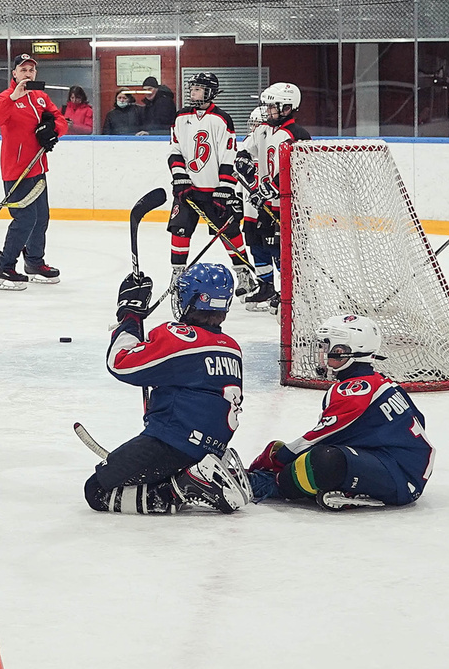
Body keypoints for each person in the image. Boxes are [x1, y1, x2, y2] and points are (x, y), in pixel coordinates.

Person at [84, 258, 253, 515]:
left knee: (96, 490)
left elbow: (121, 364)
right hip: (210, 446)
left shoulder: (179, 337)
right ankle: (194, 474)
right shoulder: (231, 347)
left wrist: (129, 314)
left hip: (173, 444)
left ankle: (184, 486)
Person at [248, 313, 434, 509]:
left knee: (324, 460)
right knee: (318, 456)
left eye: (328, 346)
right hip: (398, 468)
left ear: (345, 351)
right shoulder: (378, 381)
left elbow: (318, 438)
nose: (322, 352)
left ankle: (272, 484)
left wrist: (278, 460)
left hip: (399, 477)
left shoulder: (356, 388)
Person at [0, 53, 61, 289]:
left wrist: (52, 128)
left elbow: (60, 119)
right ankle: (4, 267)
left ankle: (35, 262)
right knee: (25, 219)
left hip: (38, 167)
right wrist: (13, 97)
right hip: (17, 170)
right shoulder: (5, 97)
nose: (28, 74)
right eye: (23, 70)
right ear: (14, 74)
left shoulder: (40, 97)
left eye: (31, 70)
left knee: (41, 218)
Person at [165, 74, 240, 280]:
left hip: (214, 191)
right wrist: (180, 177)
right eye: (192, 88)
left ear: (210, 92)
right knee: (179, 230)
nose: (193, 92)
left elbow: (228, 155)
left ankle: (243, 273)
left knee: (229, 231)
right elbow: (175, 149)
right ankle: (177, 273)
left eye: (198, 89)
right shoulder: (181, 116)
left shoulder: (221, 119)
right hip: (187, 189)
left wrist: (225, 188)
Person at [237, 82, 304, 310]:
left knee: (281, 251)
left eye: (272, 107)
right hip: (266, 204)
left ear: (287, 107)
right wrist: (243, 159)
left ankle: (289, 293)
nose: (268, 111)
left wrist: (268, 190)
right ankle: (266, 287)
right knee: (259, 245)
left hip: (286, 205)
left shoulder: (297, 135)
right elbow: (246, 149)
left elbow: (297, 170)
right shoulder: (263, 130)